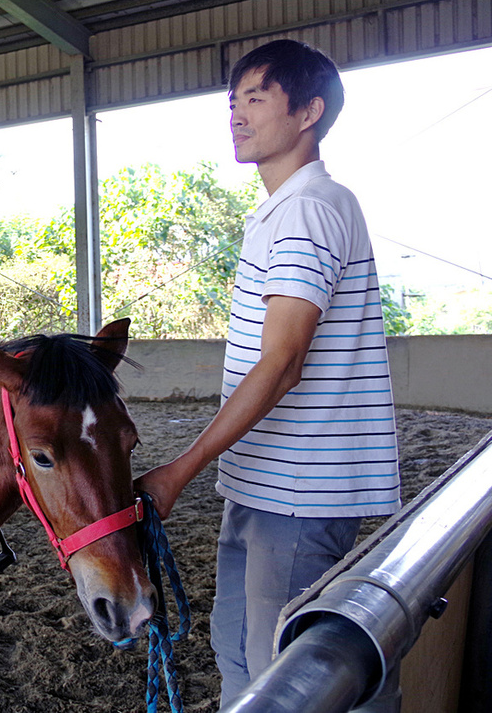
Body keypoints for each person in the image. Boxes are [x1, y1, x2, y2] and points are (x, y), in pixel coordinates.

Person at [136, 40, 401, 708]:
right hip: (262, 483)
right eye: (232, 101)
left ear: (309, 111)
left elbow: (282, 362)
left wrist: (180, 468)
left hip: (300, 491)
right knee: (239, 652)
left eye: (256, 97)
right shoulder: (277, 211)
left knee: (278, 675)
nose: (236, 114)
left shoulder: (310, 208)